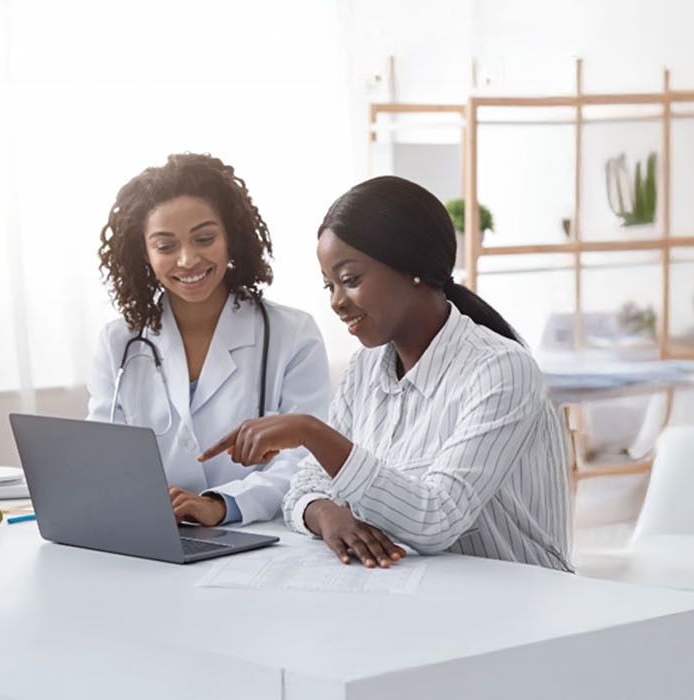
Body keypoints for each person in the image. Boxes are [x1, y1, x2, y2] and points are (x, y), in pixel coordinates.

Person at [200, 175, 571, 570]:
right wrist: (329, 516)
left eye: (350, 280)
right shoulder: (366, 368)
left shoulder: (501, 370)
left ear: (412, 266)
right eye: (329, 286)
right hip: (416, 595)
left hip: (520, 601)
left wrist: (310, 431)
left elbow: (436, 520)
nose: (337, 303)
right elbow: (303, 489)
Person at [87, 153, 330, 526]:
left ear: (231, 237)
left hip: (259, 541)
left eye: (204, 238)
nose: (187, 260)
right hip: (153, 534)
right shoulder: (118, 342)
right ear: (144, 253)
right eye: (166, 246)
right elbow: (103, 456)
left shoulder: (292, 334)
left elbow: (307, 459)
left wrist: (222, 504)